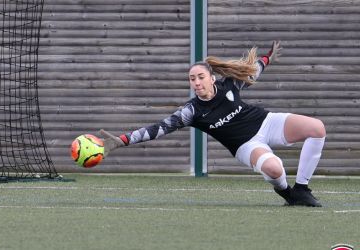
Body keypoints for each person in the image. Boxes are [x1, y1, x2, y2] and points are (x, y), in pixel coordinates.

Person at [100, 41, 326, 207]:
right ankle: (288, 194)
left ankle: (302, 188)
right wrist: (121, 140)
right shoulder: (191, 111)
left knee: (317, 129)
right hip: (246, 145)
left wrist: (267, 57)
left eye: (200, 77)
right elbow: (158, 128)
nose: (196, 82)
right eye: (192, 79)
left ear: (211, 78)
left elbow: (255, 70)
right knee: (274, 169)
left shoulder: (230, 85)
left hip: (266, 122)